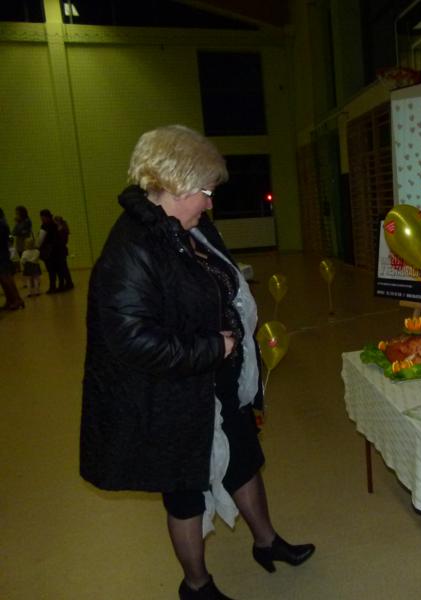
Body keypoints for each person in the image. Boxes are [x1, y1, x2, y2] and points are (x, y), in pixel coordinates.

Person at [80, 125, 314, 600]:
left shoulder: (191, 229)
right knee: (185, 492)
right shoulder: (130, 249)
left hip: (215, 380)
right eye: (205, 192)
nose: (210, 203)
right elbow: (132, 340)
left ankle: (266, 543)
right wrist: (213, 347)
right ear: (173, 184)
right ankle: (196, 584)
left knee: (244, 461)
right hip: (168, 395)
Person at [37, 209, 68, 293]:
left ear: (45, 217)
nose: (41, 219)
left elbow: (41, 239)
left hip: (49, 251)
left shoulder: (44, 226)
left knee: (51, 270)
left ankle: (52, 287)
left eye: (42, 217)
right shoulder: (54, 224)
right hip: (58, 250)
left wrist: (37, 246)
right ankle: (61, 286)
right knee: (59, 269)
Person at [0, 207, 25, 310]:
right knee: (4, 279)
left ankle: (16, 299)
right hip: (3, 253)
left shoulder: (1, 224)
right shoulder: (3, 223)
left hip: (1, 254)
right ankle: (11, 300)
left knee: (6, 278)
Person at [53, 215, 74, 290]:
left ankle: (69, 283)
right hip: (62, 249)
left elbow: (61, 240)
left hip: (60, 250)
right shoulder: (64, 229)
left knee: (63, 267)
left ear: (58, 221)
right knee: (64, 267)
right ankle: (68, 282)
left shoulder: (62, 230)